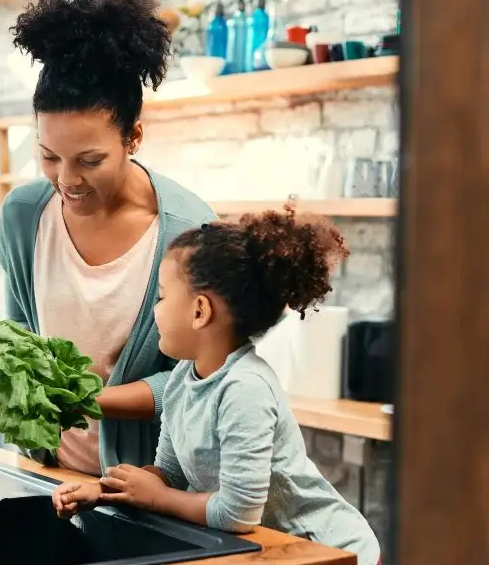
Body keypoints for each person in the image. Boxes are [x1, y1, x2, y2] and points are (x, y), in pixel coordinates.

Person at [51, 211, 382, 564]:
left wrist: (156, 498)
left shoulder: (245, 389)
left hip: (330, 551)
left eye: (162, 297)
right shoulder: (181, 378)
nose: (155, 310)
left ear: (200, 311)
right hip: (273, 548)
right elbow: (170, 474)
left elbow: (238, 513)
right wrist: (102, 492)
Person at [0, 0, 216, 476]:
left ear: (133, 137)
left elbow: (201, 380)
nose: (67, 180)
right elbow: (17, 340)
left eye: (89, 160)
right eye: (49, 156)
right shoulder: (22, 217)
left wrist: (87, 401)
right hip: (47, 476)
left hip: (147, 493)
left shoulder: (189, 233)